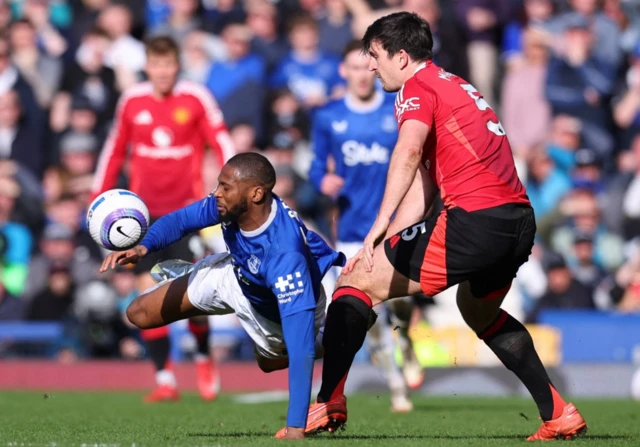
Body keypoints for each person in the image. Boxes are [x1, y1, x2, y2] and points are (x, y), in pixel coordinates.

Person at [303, 12, 587, 441]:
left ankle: (327, 403)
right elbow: (424, 190)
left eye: (375, 56)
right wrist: (386, 239)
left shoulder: (416, 88)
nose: (371, 66)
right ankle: (558, 412)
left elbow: (408, 150)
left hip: (475, 222)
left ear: (401, 56)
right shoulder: (455, 85)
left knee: (354, 281)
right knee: (478, 311)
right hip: (516, 223)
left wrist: (377, 226)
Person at [100, 153, 345, 440]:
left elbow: (302, 353)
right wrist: (144, 248)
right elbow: (182, 220)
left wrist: (295, 429)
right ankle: (194, 284)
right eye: (219, 184)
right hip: (236, 272)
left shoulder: (286, 257)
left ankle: (333, 338)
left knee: (272, 361)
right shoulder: (230, 203)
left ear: (255, 194)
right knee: (138, 313)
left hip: (275, 308)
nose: (216, 192)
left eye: (225, 186)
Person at [90, 36, 236, 403]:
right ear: (148, 67)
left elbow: (221, 141)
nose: (163, 72)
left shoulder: (196, 98)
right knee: (146, 293)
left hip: (186, 214)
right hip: (141, 217)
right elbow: (114, 149)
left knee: (192, 295)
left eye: (168, 65)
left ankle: (203, 357)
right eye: (156, 65)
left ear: (177, 65)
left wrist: (234, 183)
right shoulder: (132, 101)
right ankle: (165, 378)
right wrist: (98, 198)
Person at [309, 39, 423, 413]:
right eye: (353, 68)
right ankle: (396, 388)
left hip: (397, 224)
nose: (361, 75)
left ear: (375, 69)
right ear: (344, 72)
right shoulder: (328, 117)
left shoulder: (395, 110)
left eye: (366, 67)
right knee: (369, 313)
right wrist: (321, 182)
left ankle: (405, 341)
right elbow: (315, 166)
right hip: (354, 229)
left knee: (401, 305)